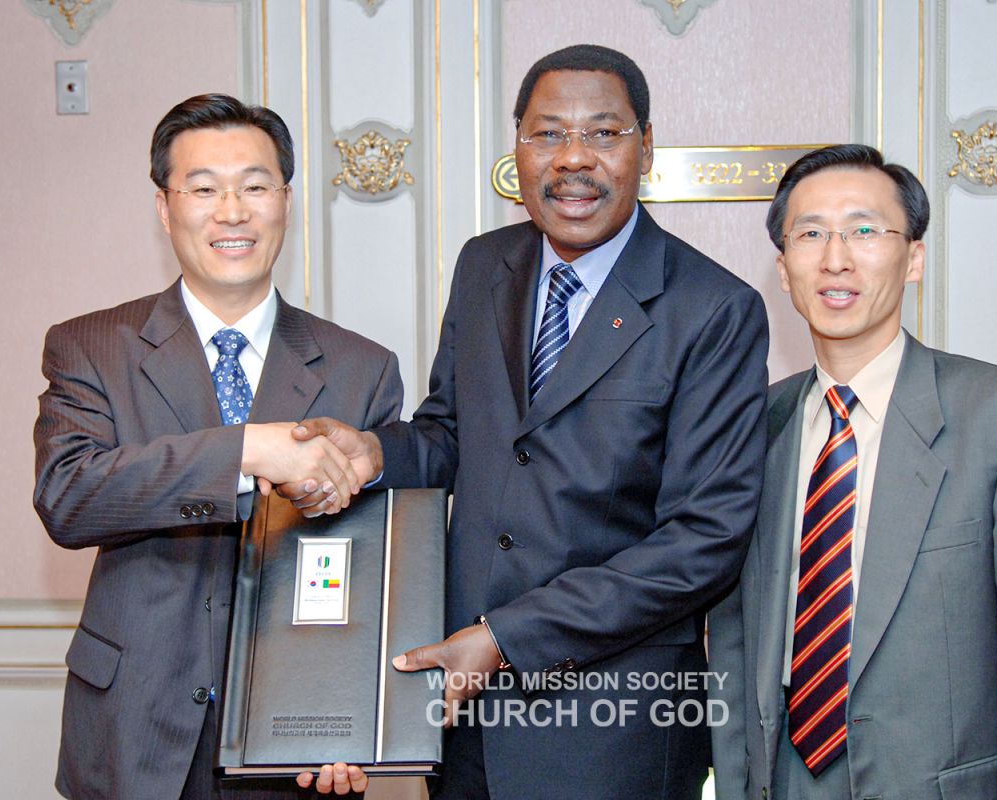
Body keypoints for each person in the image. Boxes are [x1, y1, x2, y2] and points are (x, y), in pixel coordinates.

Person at [285, 45, 769, 799]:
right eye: (547, 133)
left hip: (614, 728)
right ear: (517, 148)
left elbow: (704, 540)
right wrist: (373, 453)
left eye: (604, 134)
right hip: (461, 710)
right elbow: (450, 435)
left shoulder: (713, 309)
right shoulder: (486, 265)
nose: (573, 159)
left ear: (647, 147)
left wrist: (510, 640)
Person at [707, 144, 997, 799]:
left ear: (913, 257)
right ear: (783, 268)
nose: (836, 258)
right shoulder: (755, 427)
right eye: (810, 234)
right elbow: (732, 640)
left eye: (865, 230)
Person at [33, 94, 393, 800]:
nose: (232, 211)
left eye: (255, 186)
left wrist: (355, 720)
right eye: (203, 188)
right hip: (130, 728)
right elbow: (68, 498)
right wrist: (246, 452)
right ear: (166, 209)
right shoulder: (89, 347)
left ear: (285, 202)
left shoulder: (362, 368)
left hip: (291, 739)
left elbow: (371, 568)